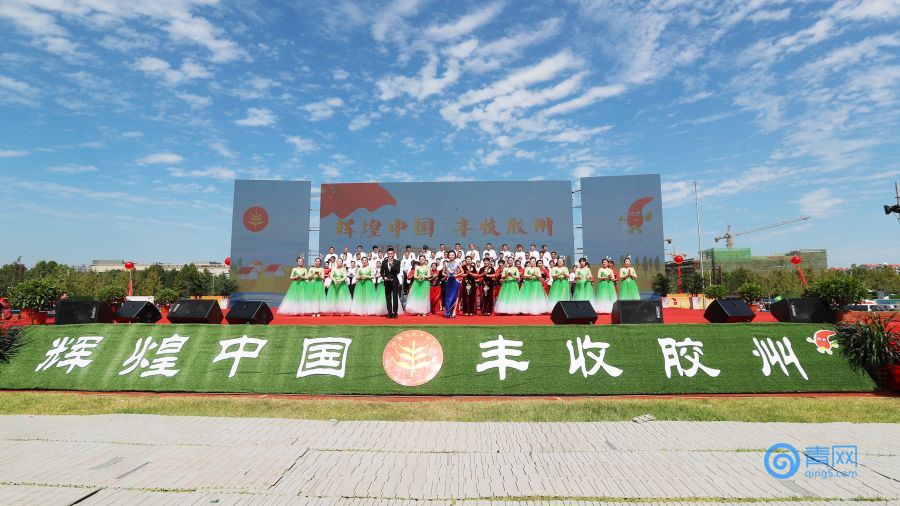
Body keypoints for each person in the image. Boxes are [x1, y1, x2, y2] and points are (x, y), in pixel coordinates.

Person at [380, 246, 402, 318]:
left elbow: (397, 271)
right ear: (387, 254)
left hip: (394, 281)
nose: (390, 255)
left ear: (394, 254)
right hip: (387, 282)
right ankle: (389, 313)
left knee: (395, 297)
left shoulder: (397, 262)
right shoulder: (384, 262)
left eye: (391, 254)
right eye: (389, 254)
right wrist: (384, 277)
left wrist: (391, 264)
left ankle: (395, 312)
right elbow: (381, 272)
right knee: (388, 297)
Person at [442, 251, 460, 318]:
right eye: (450, 255)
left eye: (452, 255)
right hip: (448, 281)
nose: (451, 256)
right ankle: (447, 312)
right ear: (448, 256)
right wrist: (446, 275)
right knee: (448, 297)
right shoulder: (446, 264)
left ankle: (453, 312)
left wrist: (457, 275)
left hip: (455, 282)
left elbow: (462, 271)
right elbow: (443, 272)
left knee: (454, 297)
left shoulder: (457, 264)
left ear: (455, 256)